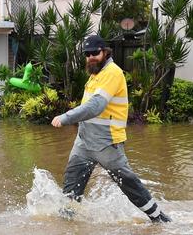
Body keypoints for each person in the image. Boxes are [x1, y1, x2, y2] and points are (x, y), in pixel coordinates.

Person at [51, 35, 171, 223]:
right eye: (87, 54)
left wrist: (66, 117)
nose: (91, 57)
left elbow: (96, 106)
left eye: (95, 53)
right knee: (71, 183)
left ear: (105, 52)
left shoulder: (112, 73)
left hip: (107, 143)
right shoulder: (95, 74)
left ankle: (159, 218)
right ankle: (67, 224)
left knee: (127, 183)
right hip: (84, 142)